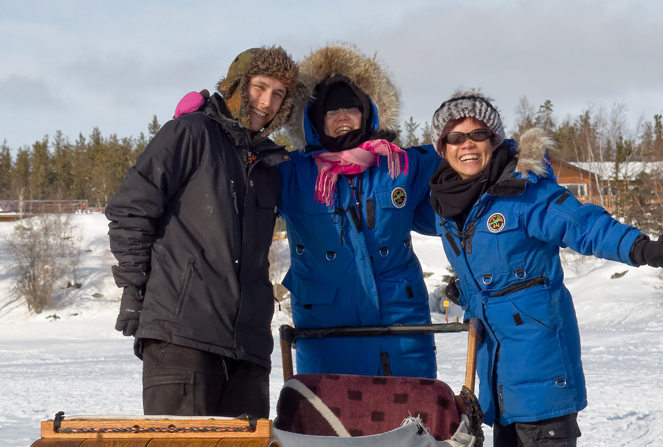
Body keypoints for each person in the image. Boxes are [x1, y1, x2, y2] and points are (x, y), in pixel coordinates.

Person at [428, 89, 663, 447]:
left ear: (495, 140)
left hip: (541, 360)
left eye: (478, 134)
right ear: (441, 148)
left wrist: (643, 248)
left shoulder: (526, 192)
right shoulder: (447, 203)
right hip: (497, 370)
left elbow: (584, 225)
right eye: (455, 137)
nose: (466, 144)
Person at [105, 46, 298, 419]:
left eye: (278, 95)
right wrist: (134, 286)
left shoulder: (270, 163)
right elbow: (130, 208)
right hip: (182, 340)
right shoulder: (190, 134)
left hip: (249, 351)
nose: (267, 102)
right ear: (236, 86)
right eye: (260, 87)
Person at [277, 44, 443, 378]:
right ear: (313, 119)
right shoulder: (290, 173)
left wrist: (516, 157)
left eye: (351, 108)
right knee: (329, 426)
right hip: (326, 335)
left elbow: (464, 158)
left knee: (411, 423)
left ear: (368, 111)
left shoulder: (400, 163)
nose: (341, 117)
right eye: (330, 111)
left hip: (399, 328)